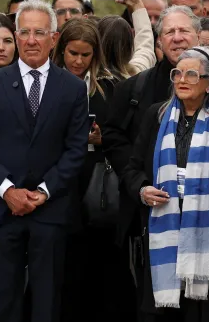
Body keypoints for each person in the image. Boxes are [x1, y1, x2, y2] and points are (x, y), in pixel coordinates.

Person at [101, 7, 209, 317]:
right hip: (163, 227)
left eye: (192, 74)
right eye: (178, 74)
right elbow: (131, 166)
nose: (183, 80)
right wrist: (142, 189)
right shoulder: (155, 116)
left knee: (208, 311)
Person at [0, 0, 90, 322]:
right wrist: (7, 190)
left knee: (47, 302)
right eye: (24, 32)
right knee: (3, 301)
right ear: (16, 35)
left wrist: (44, 192)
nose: (31, 40)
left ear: (54, 37)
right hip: (2, 209)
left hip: (50, 211)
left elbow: (76, 150)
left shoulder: (73, 88)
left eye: (39, 32)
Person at [51, 18, 134, 322]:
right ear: (61, 50)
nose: (78, 61)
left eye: (85, 55)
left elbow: (124, 137)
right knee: (66, 270)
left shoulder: (111, 87)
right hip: (59, 185)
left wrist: (102, 140)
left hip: (98, 185)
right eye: (72, 53)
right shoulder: (47, 83)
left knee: (102, 266)